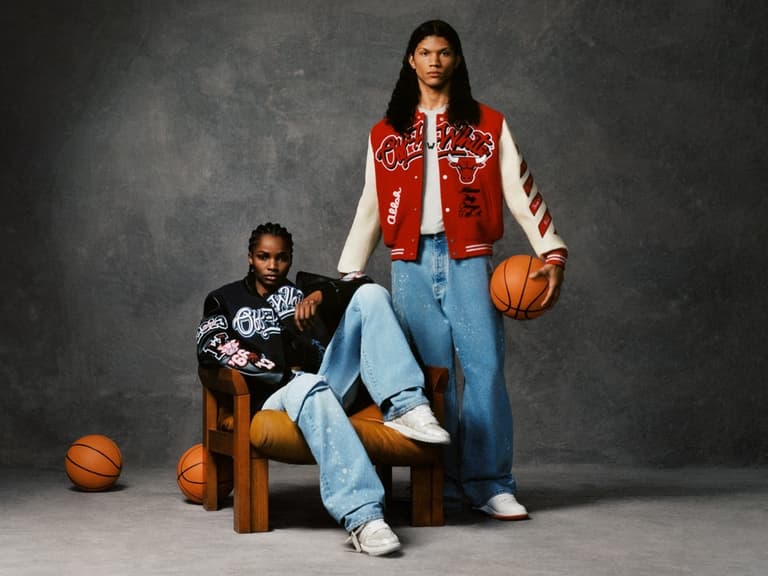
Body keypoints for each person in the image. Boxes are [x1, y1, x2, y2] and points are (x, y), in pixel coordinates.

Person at [337, 20, 568, 520]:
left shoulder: (489, 124)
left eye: (444, 52)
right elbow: (370, 207)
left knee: (483, 371)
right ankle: (438, 486)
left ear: (457, 60)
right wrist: (351, 273)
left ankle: (489, 484)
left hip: (470, 260)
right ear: (411, 61)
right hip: (410, 264)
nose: (434, 61)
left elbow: (521, 191)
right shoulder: (385, 134)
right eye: (425, 52)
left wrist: (552, 252)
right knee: (431, 378)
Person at [196, 222, 449, 556]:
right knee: (306, 383)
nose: (273, 266)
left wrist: (320, 296)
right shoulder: (224, 298)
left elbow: (362, 286)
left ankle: (406, 405)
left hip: (326, 385)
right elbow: (211, 346)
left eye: (281, 258)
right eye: (263, 257)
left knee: (372, 296)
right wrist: (280, 374)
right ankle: (364, 518)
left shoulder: (301, 292)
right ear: (249, 258)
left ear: (290, 259)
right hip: (275, 396)